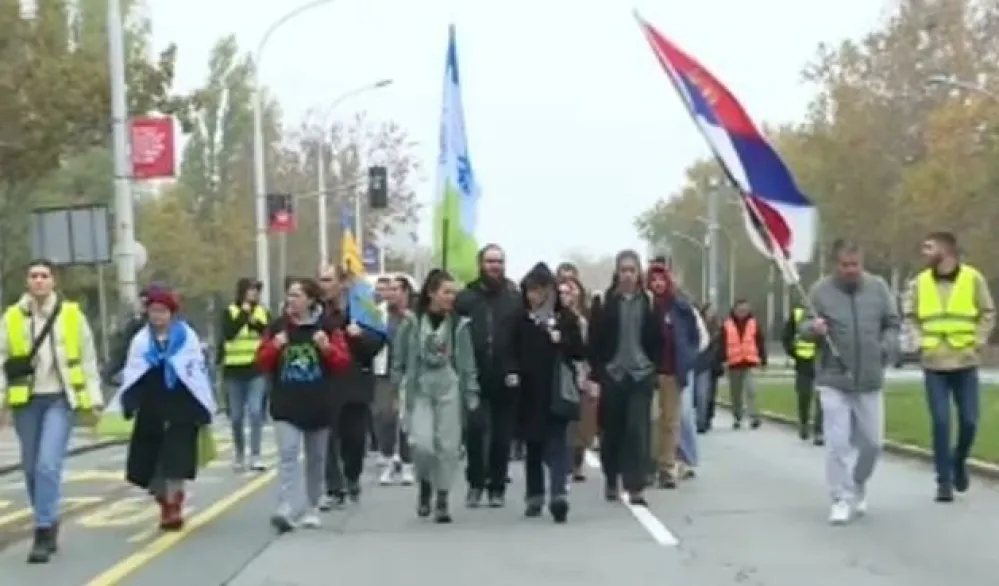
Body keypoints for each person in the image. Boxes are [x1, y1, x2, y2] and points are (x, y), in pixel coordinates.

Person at [0, 259, 102, 563]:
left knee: (47, 465)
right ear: (27, 282)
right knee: (30, 468)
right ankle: (48, 515)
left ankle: (43, 530)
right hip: (26, 401)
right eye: (34, 276)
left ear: (54, 280)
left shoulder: (72, 316)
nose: (39, 281)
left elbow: (88, 358)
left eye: (44, 275)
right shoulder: (12, 318)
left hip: (60, 398)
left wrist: (94, 400)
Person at [798, 239, 899, 524]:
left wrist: (885, 348)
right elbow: (803, 327)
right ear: (835, 265)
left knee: (874, 443)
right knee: (838, 442)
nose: (850, 270)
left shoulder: (878, 288)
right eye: (844, 265)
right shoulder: (820, 291)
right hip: (834, 377)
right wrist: (813, 329)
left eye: (855, 265)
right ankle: (840, 498)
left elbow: (892, 323)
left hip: (869, 377)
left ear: (862, 263)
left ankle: (858, 481)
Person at [112, 288, 215, 535]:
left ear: (172, 314)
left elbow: (196, 372)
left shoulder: (186, 337)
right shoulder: (141, 341)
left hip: (182, 406)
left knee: (175, 460)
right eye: (154, 311)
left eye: (163, 311)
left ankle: (174, 506)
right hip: (152, 406)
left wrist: (202, 406)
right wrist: (129, 401)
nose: (158, 316)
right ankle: (163, 501)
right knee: (152, 462)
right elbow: (133, 372)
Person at [904, 231, 995, 502]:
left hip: (965, 361)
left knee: (969, 421)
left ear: (947, 250)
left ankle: (959, 460)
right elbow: (910, 316)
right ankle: (943, 481)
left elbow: (987, 312)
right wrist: (918, 341)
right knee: (941, 422)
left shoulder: (973, 278)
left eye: (929, 247)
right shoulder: (919, 283)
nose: (924, 252)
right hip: (934, 363)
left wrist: (977, 342)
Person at [255, 277, 351, 531]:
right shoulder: (278, 327)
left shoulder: (327, 327)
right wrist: (274, 347)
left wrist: (327, 348)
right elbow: (261, 361)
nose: (291, 301)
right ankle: (285, 506)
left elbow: (342, 363)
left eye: (297, 295)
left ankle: (312, 506)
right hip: (286, 402)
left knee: (316, 458)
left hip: (318, 402)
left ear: (310, 299)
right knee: (287, 455)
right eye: (289, 295)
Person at [392, 269, 479, 523]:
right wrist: (397, 386)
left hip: (448, 384)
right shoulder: (412, 322)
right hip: (420, 385)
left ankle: (442, 496)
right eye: (446, 292)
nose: (451, 297)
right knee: (422, 444)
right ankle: (425, 483)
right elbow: (398, 359)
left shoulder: (459, 325)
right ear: (431, 293)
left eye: (454, 293)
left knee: (448, 446)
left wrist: (471, 391)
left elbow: (467, 361)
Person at [588, 250, 662, 506]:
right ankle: (611, 477)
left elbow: (657, 339)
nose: (628, 275)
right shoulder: (605, 301)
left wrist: (654, 368)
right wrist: (598, 374)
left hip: (641, 374)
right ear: (617, 273)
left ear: (638, 272)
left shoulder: (649, 301)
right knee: (612, 431)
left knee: (637, 430)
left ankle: (635, 485)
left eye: (632, 270)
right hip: (613, 375)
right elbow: (594, 342)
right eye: (623, 270)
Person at [512, 263, 585, 522]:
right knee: (533, 444)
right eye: (531, 290)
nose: (536, 295)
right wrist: (511, 374)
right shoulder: (520, 319)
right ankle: (534, 495)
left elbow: (579, 350)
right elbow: (510, 351)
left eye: (541, 290)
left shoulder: (564, 318)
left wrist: (561, 341)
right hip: (528, 390)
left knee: (557, 441)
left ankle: (558, 495)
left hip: (556, 389)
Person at [455, 244, 521, 508]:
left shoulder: (514, 297)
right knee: (475, 429)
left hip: (506, 375)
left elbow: (520, 338)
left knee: (502, 435)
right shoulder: (467, 298)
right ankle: (475, 483)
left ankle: (497, 485)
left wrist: (516, 368)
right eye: (490, 261)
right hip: (475, 374)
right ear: (480, 264)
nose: (495, 266)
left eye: (499, 261)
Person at [317, 264, 388, 507]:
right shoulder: (317, 312)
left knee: (355, 437)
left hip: (356, 382)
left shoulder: (362, 308)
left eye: (327, 280)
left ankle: (352, 476)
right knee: (327, 436)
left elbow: (378, 341)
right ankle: (334, 488)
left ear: (343, 283)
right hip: (326, 383)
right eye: (321, 280)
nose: (323, 285)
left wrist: (360, 336)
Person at [645, 260, 703, 488]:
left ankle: (667, 467)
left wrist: (687, 361)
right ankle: (649, 464)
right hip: (648, 372)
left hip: (672, 371)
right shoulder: (645, 307)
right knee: (652, 420)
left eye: (661, 280)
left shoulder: (680, 307)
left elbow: (694, 337)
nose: (657, 284)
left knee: (671, 421)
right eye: (653, 280)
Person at [220, 278, 270, 471]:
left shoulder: (262, 312)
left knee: (256, 411)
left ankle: (256, 455)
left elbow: (266, 332)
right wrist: (243, 314)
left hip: (255, 369)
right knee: (236, 417)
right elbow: (229, 333)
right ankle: (239, 453)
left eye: (257, 291)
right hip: (234, 370)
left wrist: (254, 321)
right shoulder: (230, 312)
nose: (254, 295)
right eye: (251, 291)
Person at [375, 276, 416, 486]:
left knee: (406, 419)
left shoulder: (414, 317)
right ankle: (388, 459)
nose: (391, 293)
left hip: (410, 373)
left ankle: (408, 463)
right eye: (388, 289)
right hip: (384, 371)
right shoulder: (379, 314)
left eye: (396, 289)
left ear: (406, 292)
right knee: (385, 415)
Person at [560, 277, 596, 482]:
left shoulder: (587, 317)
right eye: (563, 291)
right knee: (565, 420)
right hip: (562, 372)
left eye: (571, 290)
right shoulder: (555, 317)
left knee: (583, 419)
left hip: (583, 371)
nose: (568, 295)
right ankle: (564, 460)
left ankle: (577, 462)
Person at [720, 299, 766, 429]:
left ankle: (754, 416)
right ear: (735, 310)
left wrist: (763, 359)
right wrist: (722, 360)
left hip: (749, 362)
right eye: (740, 310)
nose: (743, 312)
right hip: (734, 363)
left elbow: (760, 341)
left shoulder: (753, 323)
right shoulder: (727, 324)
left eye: (745, 310)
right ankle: (737, 416)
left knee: (751, 390)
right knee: (736, 393)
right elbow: (722, 344)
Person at [783, 301, 822, 445]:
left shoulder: (825, 313)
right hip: (803, 362)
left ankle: (819, 430)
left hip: (820, 361)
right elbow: (787, 335)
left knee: (822, 398)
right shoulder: (798, 314)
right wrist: (793, 352)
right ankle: (804, 422)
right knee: (804, 394)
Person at [693, 302, 723, 433]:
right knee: (698, 393)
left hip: (711, 363)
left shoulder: (719, 328)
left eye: (713, 311)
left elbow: (722, 346)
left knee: (706, 393)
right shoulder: (697, 324)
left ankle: (704, 420)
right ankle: (700, 418)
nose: (711, 314)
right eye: (709, 311)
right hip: (698, 362)